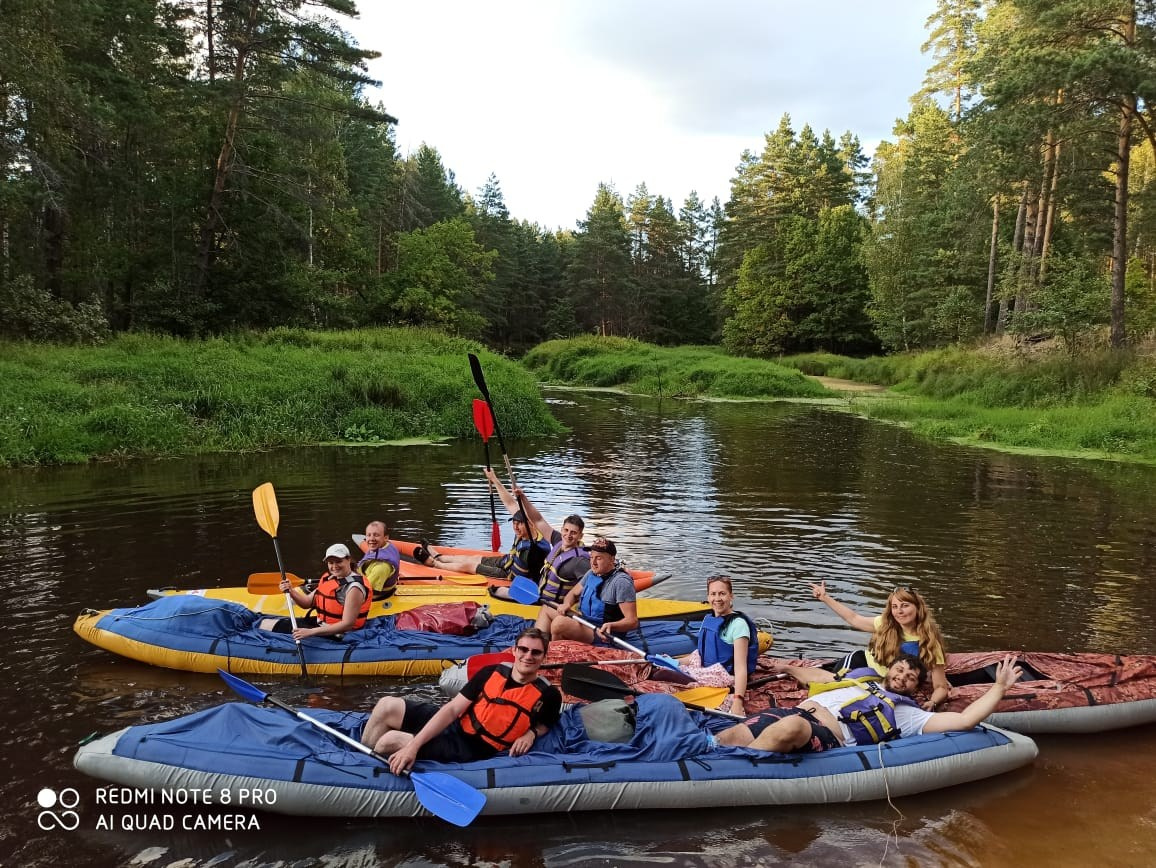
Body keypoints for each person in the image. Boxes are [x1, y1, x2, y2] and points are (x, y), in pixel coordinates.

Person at [715, 653, 1022, 754]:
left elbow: (964, 721)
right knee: (730, 736)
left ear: (915, 688)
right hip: (791, 712)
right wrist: (786, 666)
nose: (903, 677)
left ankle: (735, 770)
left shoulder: (906, 713)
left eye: (911, 677)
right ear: (889, 671)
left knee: (792, 726)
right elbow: (816, 675)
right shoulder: (861, 680)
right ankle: (705, 752)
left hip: (820, 734)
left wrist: (998, 688)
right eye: (900, 670)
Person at [361, 627, 562, 773]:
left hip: (473, 748)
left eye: (536, 652)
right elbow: (452, 709)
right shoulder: (491, 672)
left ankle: (370, 768)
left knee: (390, 740)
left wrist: (531, 734)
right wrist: (414, 746)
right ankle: (360, 758)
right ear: (515, 650)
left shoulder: (549, 695)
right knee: (386, 705)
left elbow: (547, 723)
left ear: (544, 656)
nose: (528, 656)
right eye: (524, 650)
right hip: (458, 725)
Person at [810, 582, 950, 710]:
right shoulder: (885, 624)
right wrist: (825, 597)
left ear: (918, 608)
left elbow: (940, 686)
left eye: (905, 605)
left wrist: (933, 702)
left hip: (887, 681)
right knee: (833, 686)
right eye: (895, 607)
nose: (899, 611)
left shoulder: (930, 642)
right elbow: (853, 618)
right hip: (861, 663)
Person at [679, 576, 759, 715]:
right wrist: (673, 661)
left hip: (726, 677)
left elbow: (740, 668)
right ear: (708, 597)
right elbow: (701, 654)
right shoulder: (708, 618)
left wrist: (738, 701)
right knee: (662, 672)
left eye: (722, 594)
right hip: (706, 671)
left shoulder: (738, 625)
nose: (717, 598)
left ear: (731, 596)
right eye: (713, 594)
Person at [534, 538, 638, 644]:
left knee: (559, 623)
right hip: (586, 622)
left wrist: (612, 625)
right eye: (591, 557)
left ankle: (555, 655)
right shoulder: (591, 573)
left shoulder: (621, 582)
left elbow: (632, 621)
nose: (593, 562)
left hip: (604, 632)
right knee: (548, 607)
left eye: (598, 558)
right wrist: (567, 604)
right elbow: (573, 594)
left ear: (611, 559)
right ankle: (537, 645)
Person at [265, 543, 372, 639]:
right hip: (322, 626)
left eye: (339, 561)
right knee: (274, 624)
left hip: (340, 635)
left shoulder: (354, 588)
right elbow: (307, 603)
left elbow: (347, 624)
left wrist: (310, 632)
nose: (334, 566)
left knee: (270, 627)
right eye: (330, 563)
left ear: (348, 560)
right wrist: (291, 590)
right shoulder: (330, 578)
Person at [357, 520, 400, 598]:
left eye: (376, 535)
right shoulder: (384, 545)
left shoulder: (382, 567)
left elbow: (364, 589)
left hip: (376, 596)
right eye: (368, 535)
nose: (371, 539)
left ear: (386, 538)